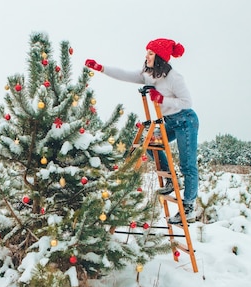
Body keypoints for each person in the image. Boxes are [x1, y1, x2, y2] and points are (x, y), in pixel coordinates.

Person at [85, 38, 199, 224]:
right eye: (147, 52)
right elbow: (126, 74)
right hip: (169, 121)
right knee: (150, 145)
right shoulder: (149, 74)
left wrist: (161, 99)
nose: (146, 56)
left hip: (185, 119)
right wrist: (101, 68)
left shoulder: (174, 78)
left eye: (151, 53)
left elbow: (187, 102)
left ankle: (188, 208)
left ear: (160, 57)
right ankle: (171, 179)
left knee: (188, 165)